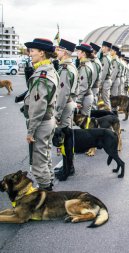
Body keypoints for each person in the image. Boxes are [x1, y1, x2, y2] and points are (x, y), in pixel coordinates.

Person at [23, 38, 59, 191]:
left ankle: (45, 193)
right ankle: (49, 183)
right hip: (48, 119)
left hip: (41, 122)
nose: (29, 54)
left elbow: (38, 107)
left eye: (32, 51)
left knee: (38, 161)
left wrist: (31, 131)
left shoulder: (41, 75)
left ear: (42, 52)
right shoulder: (49, 69)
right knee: (45, 156)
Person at [55, 39, 78, 128]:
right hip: (69, 103)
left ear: (64, 52)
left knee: (63, 137)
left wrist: (57, 114)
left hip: (64, 106)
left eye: (58, 50)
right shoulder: (72, 66)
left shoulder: (65, 69)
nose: (56, 52)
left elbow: (62, 94)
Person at [76, 43, 94, 116]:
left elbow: (83, 85)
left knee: (85, 122)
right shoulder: (87, 63)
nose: (77, 52)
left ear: (83, 53)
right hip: (86, 95)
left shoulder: (84, 66)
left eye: (78, 51)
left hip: (85, 97)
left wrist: (79, 101)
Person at [99, 41, 113, 109]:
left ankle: (109, 115)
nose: (101, 48)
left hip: (105, 81)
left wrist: (100, 83)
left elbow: (104, 72)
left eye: (103, 47)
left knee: (105, 100)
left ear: (106, 48)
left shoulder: (105, 57)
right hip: (107, 80)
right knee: (105, 99)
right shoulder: (108, 56)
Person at [89, 42, 103, 108]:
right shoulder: (92, 61)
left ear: (93, 51)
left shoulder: (94, 62)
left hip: (93, 87)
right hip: (93, 87)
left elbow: (92, 78)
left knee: (92, 105)